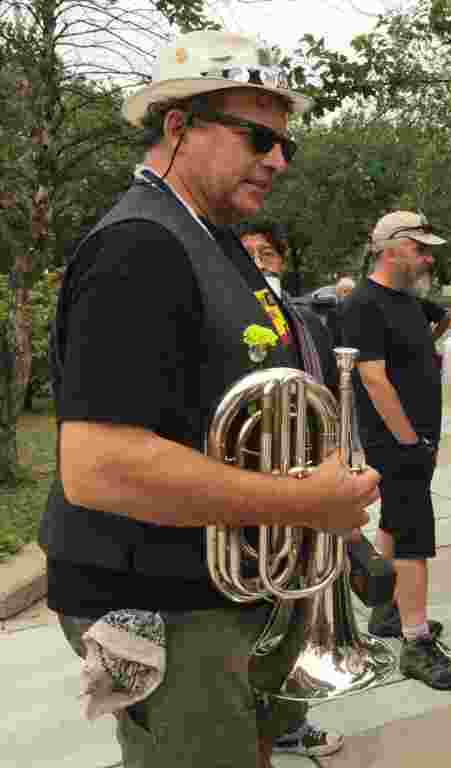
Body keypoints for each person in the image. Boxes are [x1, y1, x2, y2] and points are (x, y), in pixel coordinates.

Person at [39, 30, 381, 767]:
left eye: (287, 143)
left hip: (230, 592)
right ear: (178, 124)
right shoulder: (138, 247)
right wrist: (303, 505)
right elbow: (98, 467)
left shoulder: (216, 240)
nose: (279, 159)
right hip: (162, 602)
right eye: (258, 136)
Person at [340, 210, 451, 690]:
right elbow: (372, 378)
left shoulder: (407, 301)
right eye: (420, 247)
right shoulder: (363, 304)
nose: (428, 255)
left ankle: (386, 613)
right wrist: (410, 442)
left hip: (414, 439)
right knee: (415, 536)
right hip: (398, 441)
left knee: (397, 522)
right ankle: (416, 644)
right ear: (390, 247)